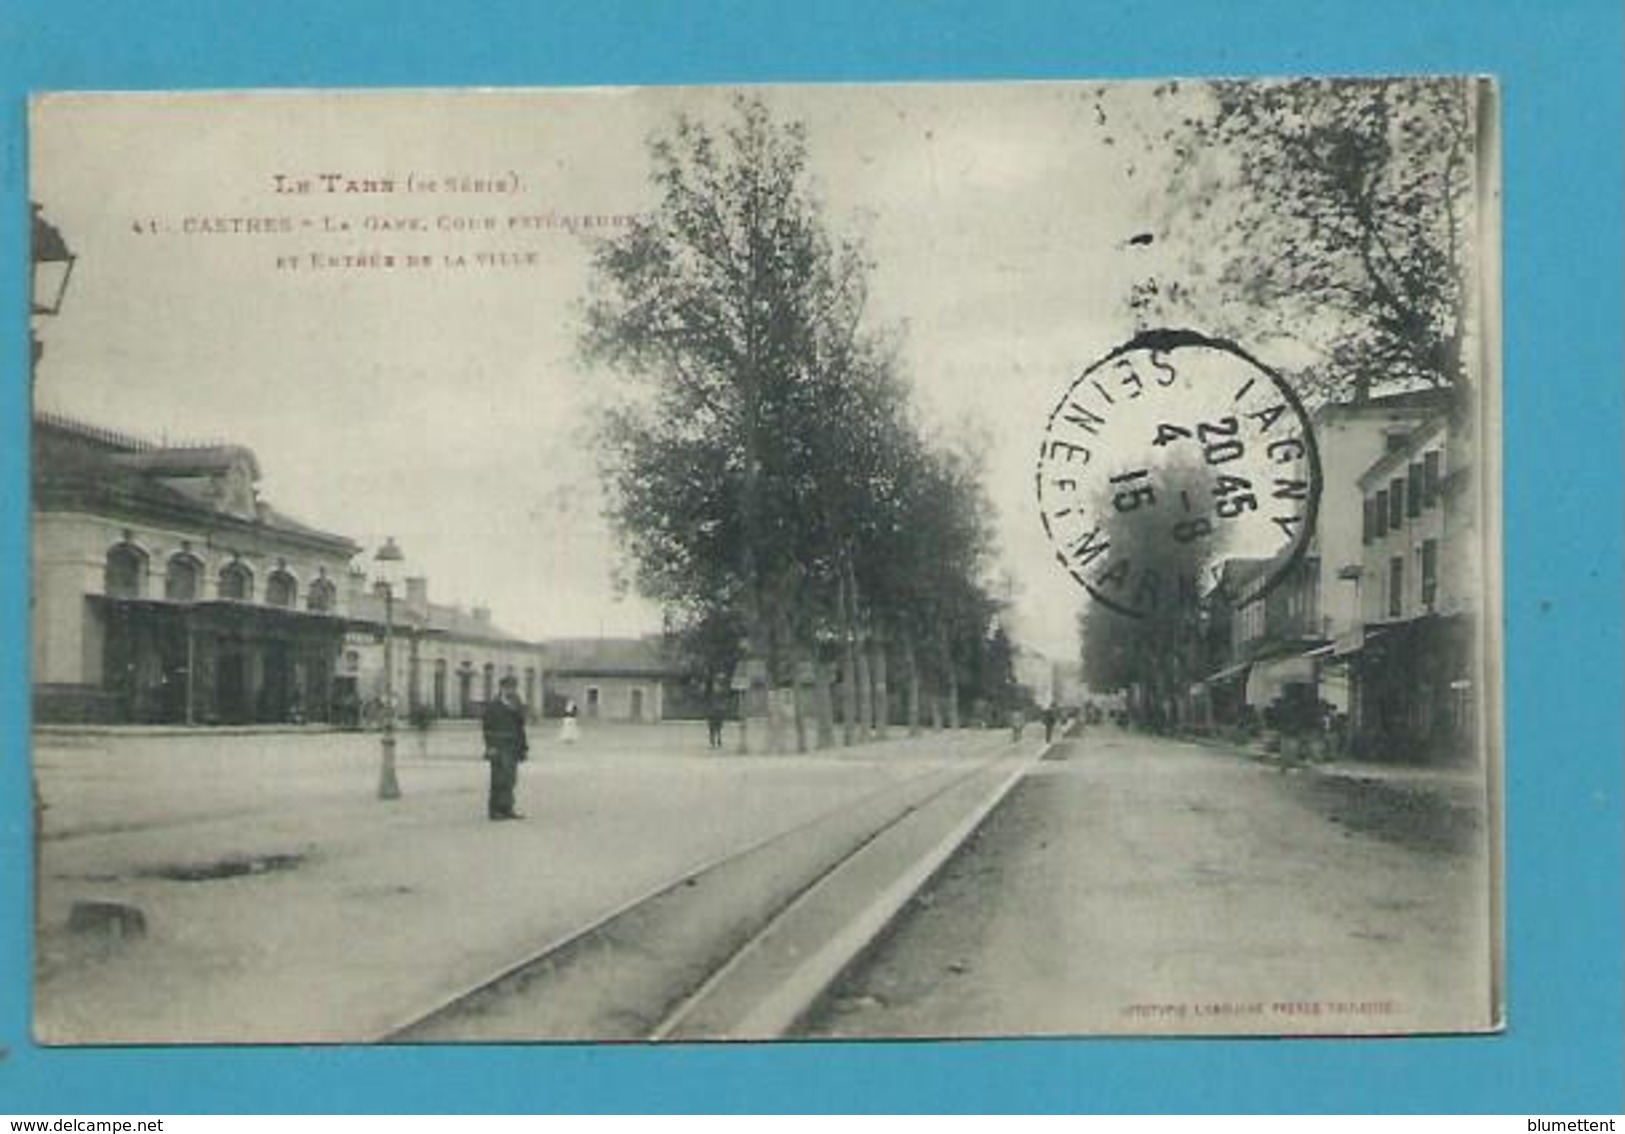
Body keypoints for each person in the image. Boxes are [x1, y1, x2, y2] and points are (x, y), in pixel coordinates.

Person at [482, 675, 529, 821]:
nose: (511, 690)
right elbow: (487, 728)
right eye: (508, 687)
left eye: (514, 687)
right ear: (502, 688)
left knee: (510, 778)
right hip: (498, 745)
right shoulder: (494, 705)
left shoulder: (516, 704)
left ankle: (507, 808)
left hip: (513, 745)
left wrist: (523, 747)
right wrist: (490, 746)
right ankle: (494, 811)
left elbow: (521, 727)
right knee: (498, 779)